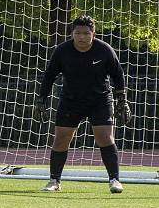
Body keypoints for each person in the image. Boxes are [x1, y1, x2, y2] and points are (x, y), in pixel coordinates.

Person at [33, 15, 131, 193]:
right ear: (72, 33)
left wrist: (122, 101)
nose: (82, 37)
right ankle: (54, 181)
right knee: (61, 139)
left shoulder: (104, 50)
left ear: (93, 34)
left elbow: (118, 75)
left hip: (99, 100)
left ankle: (114, 180)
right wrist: (41, 99)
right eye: (78, 33)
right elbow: (49, 75)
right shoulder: (62, 51)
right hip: (71, 101)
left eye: (86, 33)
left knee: (105, 137)